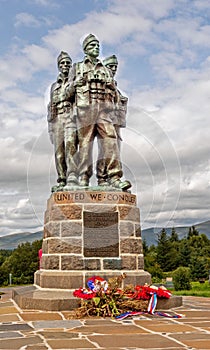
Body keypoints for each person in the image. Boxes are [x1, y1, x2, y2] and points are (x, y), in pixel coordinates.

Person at [66, 34, 131, 191]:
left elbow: (115, 97)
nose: (96, 48)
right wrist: (75, 84)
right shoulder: (77, 67)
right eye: (92, 46)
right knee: (85, 144)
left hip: (103, 110)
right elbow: (67, 93)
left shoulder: (105, 69)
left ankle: (115, 177)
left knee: (110, 139)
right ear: (86, 49)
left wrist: (111, 86)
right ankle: (83, 177)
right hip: (85, 109)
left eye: (97, 46)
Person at [47, 51, 78, 192]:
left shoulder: (75, 81)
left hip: (70, 116)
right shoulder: (54, 86)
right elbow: (51, 106)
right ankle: (62, 179)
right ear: (59, 66)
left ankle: (73, 177)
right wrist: (50, 128)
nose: (65, 65)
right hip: (57, 119)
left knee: (70, 146)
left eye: (67, 63)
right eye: (62, 63)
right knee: (59, 152)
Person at [96, 55, 128, 186]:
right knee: (107, 147)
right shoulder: (101, 83)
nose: (113, 69)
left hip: (116, 122)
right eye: (110, 66)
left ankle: (108, 178)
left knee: (113, 149)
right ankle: (104, 177)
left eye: (115, 67)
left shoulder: (115, 87)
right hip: (102, 117)